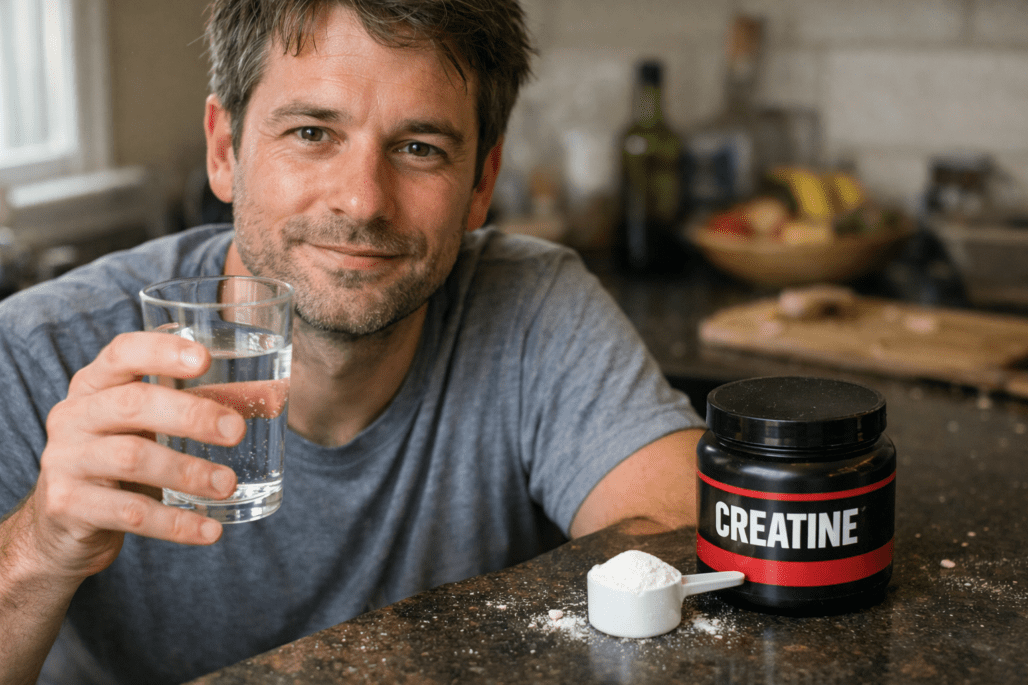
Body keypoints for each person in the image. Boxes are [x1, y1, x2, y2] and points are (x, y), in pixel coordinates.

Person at [0, 1, 706, 682]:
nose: (363, 200)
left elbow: (681, 541)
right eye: (312, 133)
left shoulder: (534, 305)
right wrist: (38, 548)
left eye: (419, 148)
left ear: (482, 182)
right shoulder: (39, 353)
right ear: (226, 149)